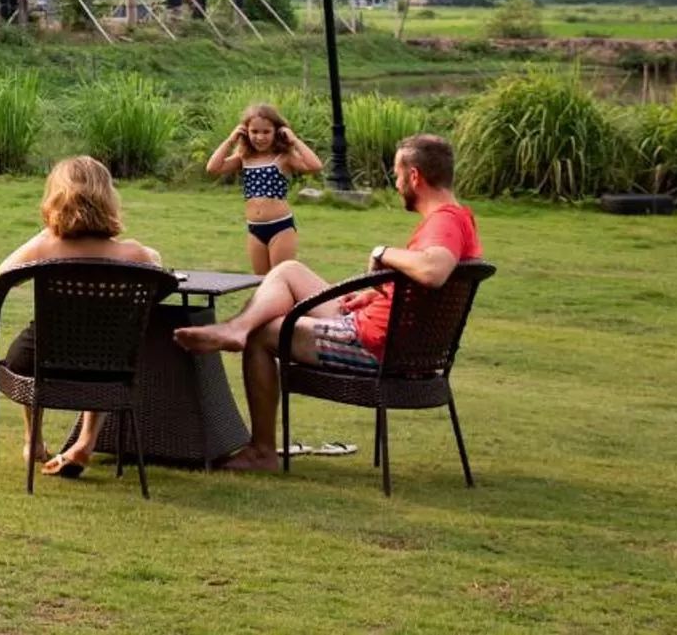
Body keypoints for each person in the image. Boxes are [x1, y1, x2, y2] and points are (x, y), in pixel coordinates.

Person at [172, 133, 482, 472]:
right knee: (289, 271)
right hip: (381, 325)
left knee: (265, 334)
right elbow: (425, 286)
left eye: (396, 174)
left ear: (414, 176)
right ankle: (235, 328)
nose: (395, 184)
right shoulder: (459, 218)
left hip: (375, 345)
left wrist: (382, 253)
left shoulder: (445, 221)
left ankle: (262, 450)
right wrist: (373, 294)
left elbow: (434, 271)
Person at [0, 156, 164, 479]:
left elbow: (2, 275)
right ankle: (86, 441)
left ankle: (34, 439)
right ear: (109, 199)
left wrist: (44, 234)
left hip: (43, 362)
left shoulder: (45, 250)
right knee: (104, 341)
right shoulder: (134, 255)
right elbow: (156, 265)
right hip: (109, 367)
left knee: (27, 350)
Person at [204, 102, 324, 273]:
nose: (260, 137)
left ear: (277, 132)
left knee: (280, 278)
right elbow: (212, 168)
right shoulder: (244, 157)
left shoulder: (283, 158)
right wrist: (231, 140)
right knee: (261, 283)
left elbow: (315, 166)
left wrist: (294, 140)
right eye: (254, 132)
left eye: (266, 132)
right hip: (254, 229)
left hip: (280, 227)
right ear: (246, 131)